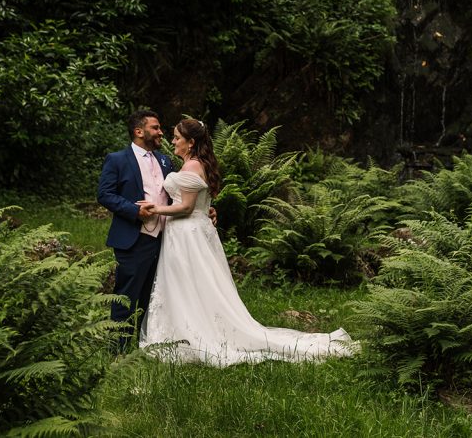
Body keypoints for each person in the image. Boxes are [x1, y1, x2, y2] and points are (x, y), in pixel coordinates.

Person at [138, 118, 357, 366]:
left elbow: (187, 207)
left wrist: (155, 208)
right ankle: (184, 327)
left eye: (177, 137)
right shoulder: (196, 165)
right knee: (194, 283)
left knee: (189, 282)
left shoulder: (191, 168)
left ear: (191, 142)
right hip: (191, 231)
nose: (173, 141)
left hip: (187, 232)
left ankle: (191, 332)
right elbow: (199, 204)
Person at [97, 109, 215, 351]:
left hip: (165, 238)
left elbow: (180, 195)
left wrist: (205, 210)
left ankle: (143, 342)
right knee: (126, 293)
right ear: (139, 132)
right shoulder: (117, 159)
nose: (161, 132)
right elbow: (105, 195)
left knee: (151, 294)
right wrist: (134, 210)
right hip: (133, 236)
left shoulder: (166, 161)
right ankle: (117, 348)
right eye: (155, 128)